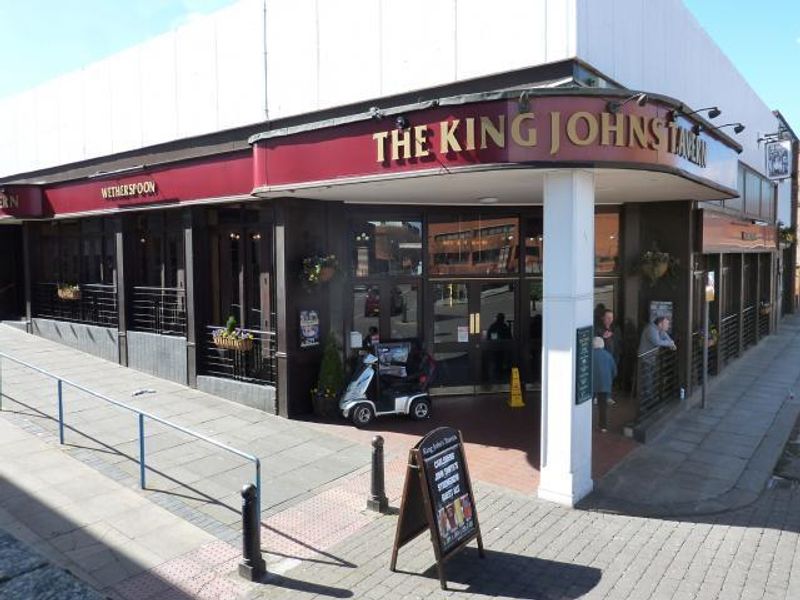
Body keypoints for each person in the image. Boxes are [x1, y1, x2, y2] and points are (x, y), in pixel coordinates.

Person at [637, 316, 676, 402]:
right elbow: (657, 342)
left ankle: (650, 398)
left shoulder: (659, 329)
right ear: (660, 324)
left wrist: (671, 343)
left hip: (651, 358)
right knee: (648, 380)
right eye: (666, 324)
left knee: (652, 379)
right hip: (645, 359)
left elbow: (665, 336)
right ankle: (647, 400)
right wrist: (670, 344)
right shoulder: (651, 329)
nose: (668, 326)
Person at [593, 336, 617, 432]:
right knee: (602, 406)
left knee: (587, 404)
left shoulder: (590, 355)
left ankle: (585, 423)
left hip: (591, 385)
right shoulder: (608, 355)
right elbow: (614, 371)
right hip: (604, 384)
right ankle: (603, 426)